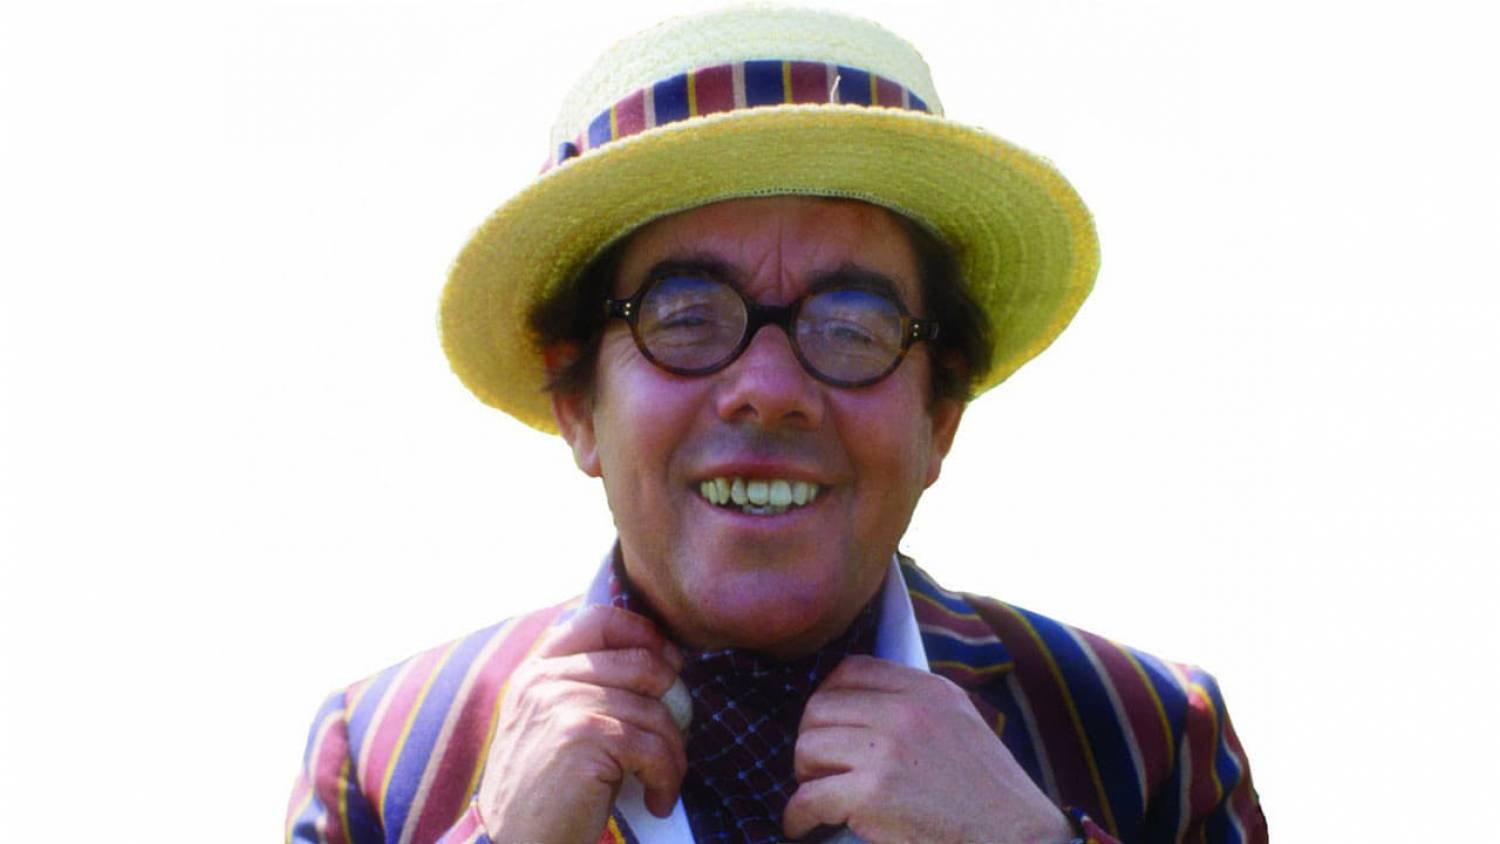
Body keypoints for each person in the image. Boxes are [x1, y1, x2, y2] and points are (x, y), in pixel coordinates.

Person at [287, 6, 1268, 843]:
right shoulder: (383, 760)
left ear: (942, 413)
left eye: (851, 325)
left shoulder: (1147, 736)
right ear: (577, 402)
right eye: (685, 317)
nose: (768, 388)